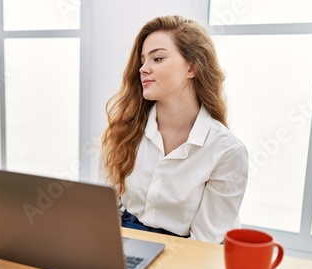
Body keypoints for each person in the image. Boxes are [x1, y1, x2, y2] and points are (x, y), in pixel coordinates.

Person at [99, 15, 249, 243]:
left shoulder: (227, 151)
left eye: (157, 58)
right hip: (124, 240)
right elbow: (106, 212)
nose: (143, 69)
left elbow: (204, 241)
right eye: (142, 61)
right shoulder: (122, 132)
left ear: (192, 67)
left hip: (186, 252)